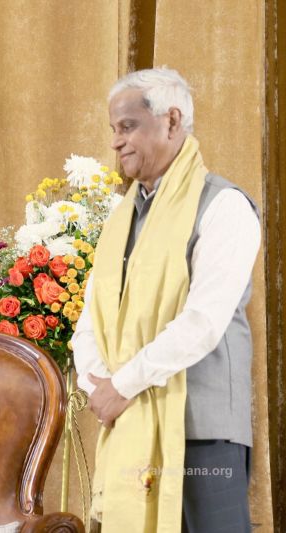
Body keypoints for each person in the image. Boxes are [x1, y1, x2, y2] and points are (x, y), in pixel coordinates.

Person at [73, 68, 260, 532]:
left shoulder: (223, 205)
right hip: (131, 423)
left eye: (127, 126)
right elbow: (92, 316)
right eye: (113, 128)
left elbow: (203, 323)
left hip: (202, 431)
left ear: (172, 121)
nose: (115, 141)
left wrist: (121, 385)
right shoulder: (121, 218)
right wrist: (97, 384)